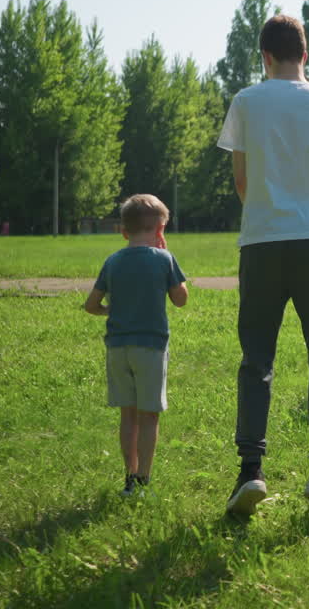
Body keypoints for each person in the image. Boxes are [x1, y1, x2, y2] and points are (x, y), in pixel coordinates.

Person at [217, 14, 309, 517]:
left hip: (261, 242)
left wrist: (267, 210)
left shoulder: (246, 101)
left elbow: (242, 181)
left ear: (265, 56)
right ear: (305, 54)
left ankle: (250, 471)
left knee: (256, 360)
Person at [84, 194, 189, 497]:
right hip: (150, 348)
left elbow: (91, 305)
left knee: (127, 415)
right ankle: (143, 480)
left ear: (123, 231)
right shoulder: (164, 259)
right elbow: (180, 299)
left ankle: (129, 477)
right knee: (149, 415)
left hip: (118, 348)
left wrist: (110, 310)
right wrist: (167, 258)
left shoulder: (113, 261)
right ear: (160, 229)